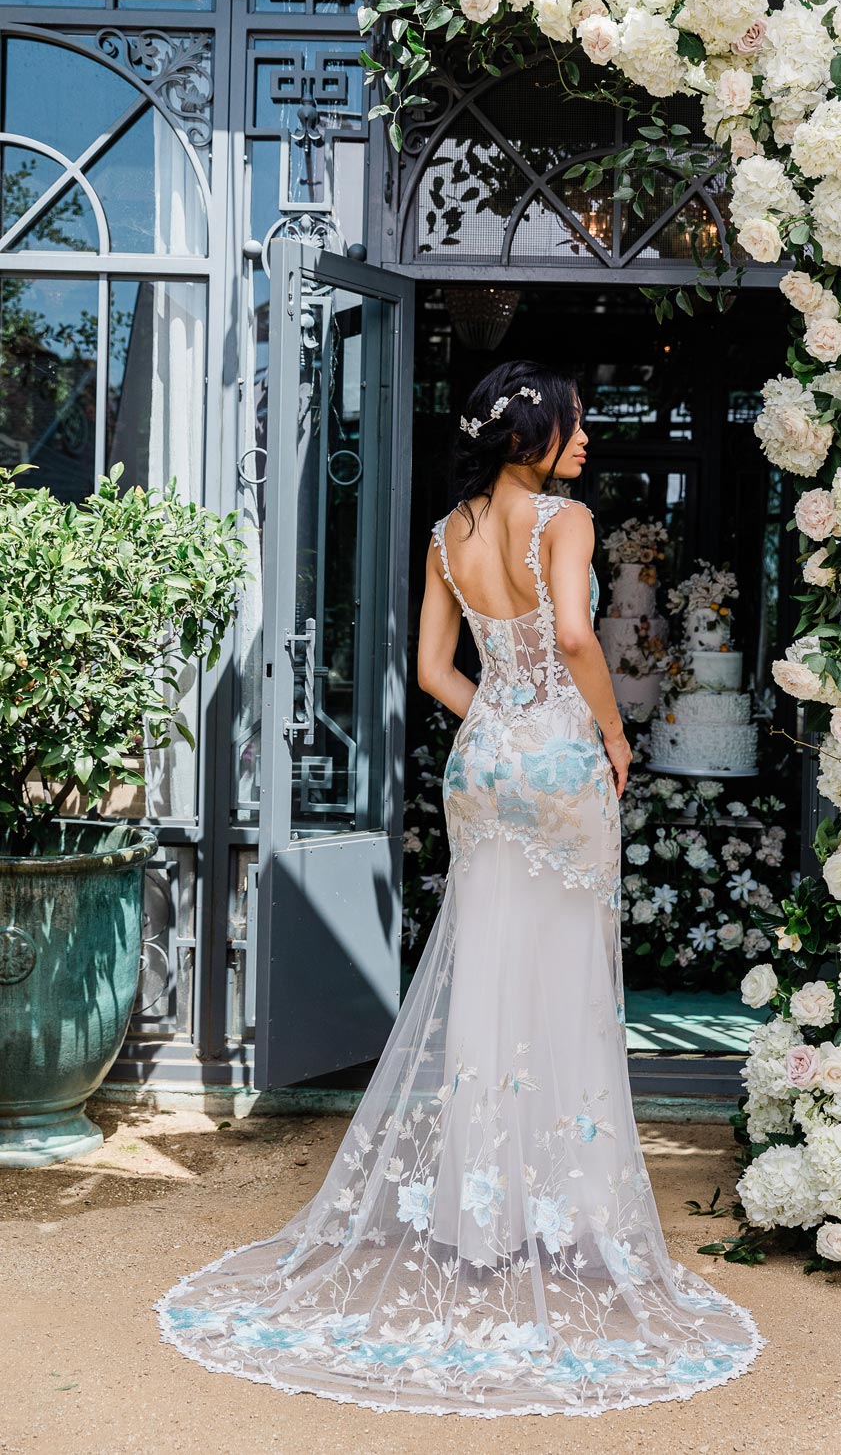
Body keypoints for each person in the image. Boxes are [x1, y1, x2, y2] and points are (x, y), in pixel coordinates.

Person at [155, 359, 762, 1415]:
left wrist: (501, 715)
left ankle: (478, 1219)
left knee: (486, 964)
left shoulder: (449, 533)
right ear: (534, 436)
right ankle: (561, 1217)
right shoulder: (563, 522)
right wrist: (612, 735)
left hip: (482, 761)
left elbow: (435, 673)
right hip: (562, 761)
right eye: (573, 424)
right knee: (567, 973)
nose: (585, 439)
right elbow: (576, 635)